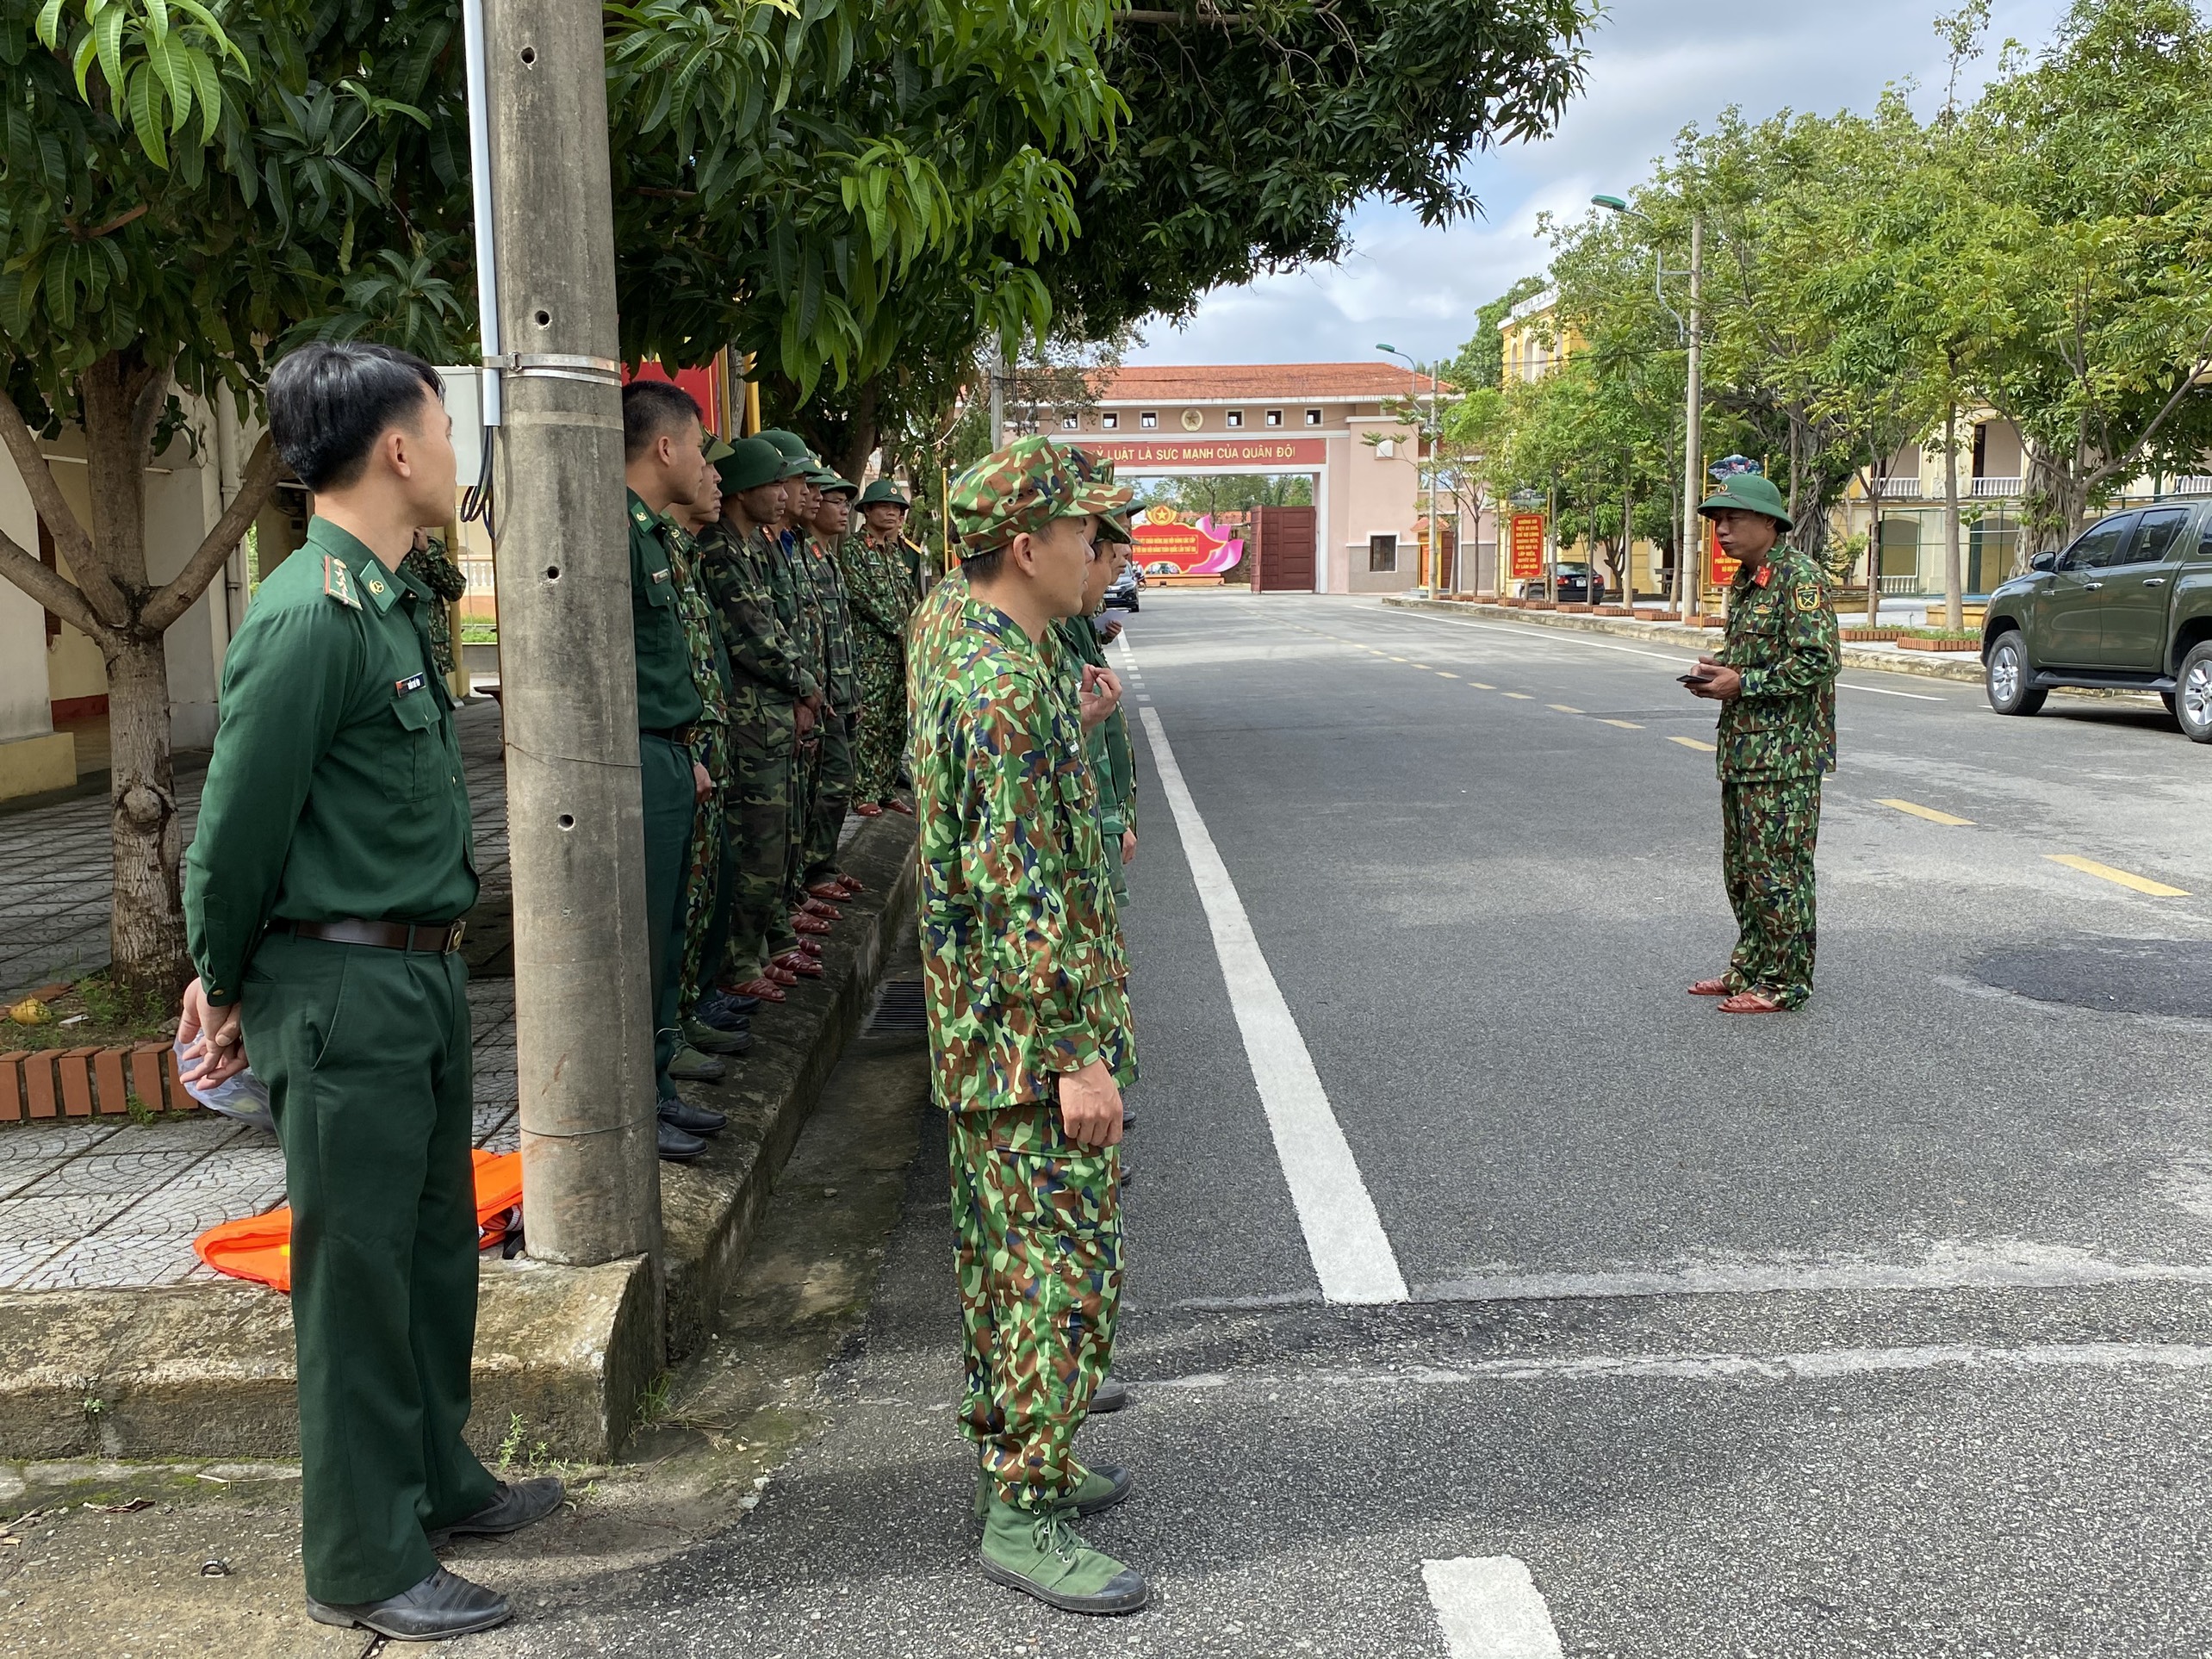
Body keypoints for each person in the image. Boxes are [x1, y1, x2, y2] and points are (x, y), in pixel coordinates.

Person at [177, 342, 562, 1642]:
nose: (456, 450)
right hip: (340, 987)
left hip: (416, 974)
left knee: (432, 1251)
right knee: (352, 1274)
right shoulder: (307, 615)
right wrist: (219, 979)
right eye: (443, 426)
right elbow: (232, 835)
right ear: (398, 450)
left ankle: (436, 1476)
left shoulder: (392, 600)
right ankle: (361, 1552)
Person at [916, 435, 1146, 1614]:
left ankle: (1025, 1453)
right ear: (1028, 545)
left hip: (987, 1030)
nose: (1098, 549)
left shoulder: (982, 644)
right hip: (1026, 1039)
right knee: (1060, 1275)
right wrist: (1075, 1053)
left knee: (1008, 1264)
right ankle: (1027, 1505)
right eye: (1080, 531)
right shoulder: (1003, 687)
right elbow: (1019, 888)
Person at [1681, 470, 1840, 1014]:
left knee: (1780, 871)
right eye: (1717, 521)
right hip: (1746, 750)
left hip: (1786, 755)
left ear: (1769, 524)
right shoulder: (1747, 581)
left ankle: (1786, 982)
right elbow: (1763, 654)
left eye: (1733, 519)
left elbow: (1819, 661)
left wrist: (1742, 683)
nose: (1721, 531)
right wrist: (1724, 668)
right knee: (1743, 869)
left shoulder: (1799, 578)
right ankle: (1750, 966)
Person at [621, 380, 719, 1157]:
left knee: (668, 930)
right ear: (664, 447)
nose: (700, 461)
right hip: (637, 754)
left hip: (668, 751)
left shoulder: (650, 535)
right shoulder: (616, 535)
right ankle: (637, 1103)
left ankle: (658, 1085)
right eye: (696, 445)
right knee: (642, 935)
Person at [698, 437, 819, 1003]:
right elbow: (755, 635)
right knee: (757, 848)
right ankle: (741, 960)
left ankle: (758, 946)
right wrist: (806, 683)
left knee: (776, 843)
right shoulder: (721, 551)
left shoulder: (752, 548)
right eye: (775, 483)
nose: (785, 494)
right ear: (746, 490)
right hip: (749, 722)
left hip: (770, 718)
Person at [662, 445, 750, 1113]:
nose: (713, 476)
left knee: (704, 887)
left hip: (704, 742)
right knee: (674, 903)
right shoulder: (648, 547)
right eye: (704, 456)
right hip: (676, 750)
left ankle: (689, 1007)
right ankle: (668, 1032)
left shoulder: (681, 551)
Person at [840, 479, 916, 817]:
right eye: (885, 506)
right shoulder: (855, 549)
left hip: (900, 656)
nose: (892, 512)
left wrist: (917, 628)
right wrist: (900, 628)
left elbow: (909, 599)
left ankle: (885, 788)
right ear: (867, 511)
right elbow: (861, 595)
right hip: (871, 655)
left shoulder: (898, 554)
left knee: (896, 724)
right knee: (870, 725)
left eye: (897, 508)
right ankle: (865, 791)